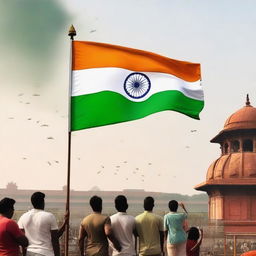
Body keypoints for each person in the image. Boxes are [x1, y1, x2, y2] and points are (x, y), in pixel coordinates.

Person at [18, 192, 67, 256]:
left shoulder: (23, 217)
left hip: (30, 252)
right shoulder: (49, 216)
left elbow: (22, 239)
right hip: (46, 252)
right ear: (43, 202)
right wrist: (65, 223)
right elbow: (55, 238)